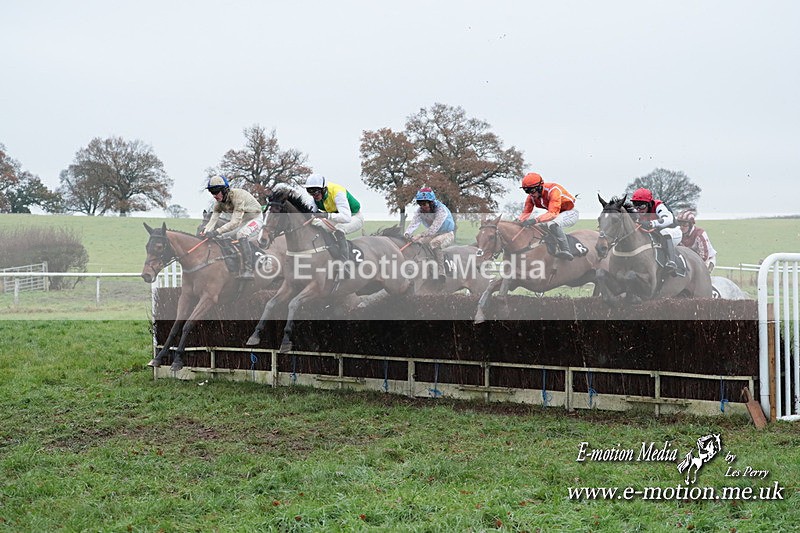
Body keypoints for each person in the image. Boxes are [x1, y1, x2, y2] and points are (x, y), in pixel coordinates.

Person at [201, 175, 263, 279]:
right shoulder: (218, 203)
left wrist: (216, 232)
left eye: (216, 191)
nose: (214, 195)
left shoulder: (238, 197)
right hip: (243, 221)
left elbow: (234, 222)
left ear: (224, 190)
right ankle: (234, 263)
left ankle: (249, 269)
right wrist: (205, 231)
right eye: (212, 192)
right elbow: (213, 220)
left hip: (255, 218)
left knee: (241, 234)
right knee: (222, 237)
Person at [518, 172, 579, 260]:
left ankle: (566, 250)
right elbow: (526, 213)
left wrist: (535, 220)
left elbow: (553, 214)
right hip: (556, 214)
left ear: (540, 187)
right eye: (526, 191)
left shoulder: (554, 190)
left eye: (531, 190)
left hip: (569, 212)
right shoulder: (531, 197)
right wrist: (518, 222)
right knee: (537, 227)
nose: (530, 194)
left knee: (552, 224)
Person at [305, 173, 364, 261]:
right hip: (336, 218)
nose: (314, 195)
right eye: (310, 192)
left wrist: (326, 215)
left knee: (339, 229)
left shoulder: (337, 192)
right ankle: (331, 250)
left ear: (323, 189)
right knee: (318, 226)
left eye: (315, 192)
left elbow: (346, 218)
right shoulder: (314, 197)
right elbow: (309, 212)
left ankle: (345, 262)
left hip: (354, 217)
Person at [403, 187, 456, 281]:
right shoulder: (419, 211)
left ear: (431, 202)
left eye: (424, 203)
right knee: (418, 243)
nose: (422, 206)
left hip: (447, 233)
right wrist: (407, 234)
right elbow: (413, 224)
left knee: (434, 243)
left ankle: (441, 271)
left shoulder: (441, 210)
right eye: (420, 203)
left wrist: (419, 235)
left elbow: (434, 228)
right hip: (432, 234)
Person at [630, 188, 682, 274]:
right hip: (655, 234)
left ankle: (671, 262)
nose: (638, 209)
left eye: (642, 206)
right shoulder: (636, 211)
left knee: (664, 232)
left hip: (673, 232)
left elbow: (668, 219)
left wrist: (652, 223)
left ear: (649, 203)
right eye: (636, 205)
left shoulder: (659, 206)